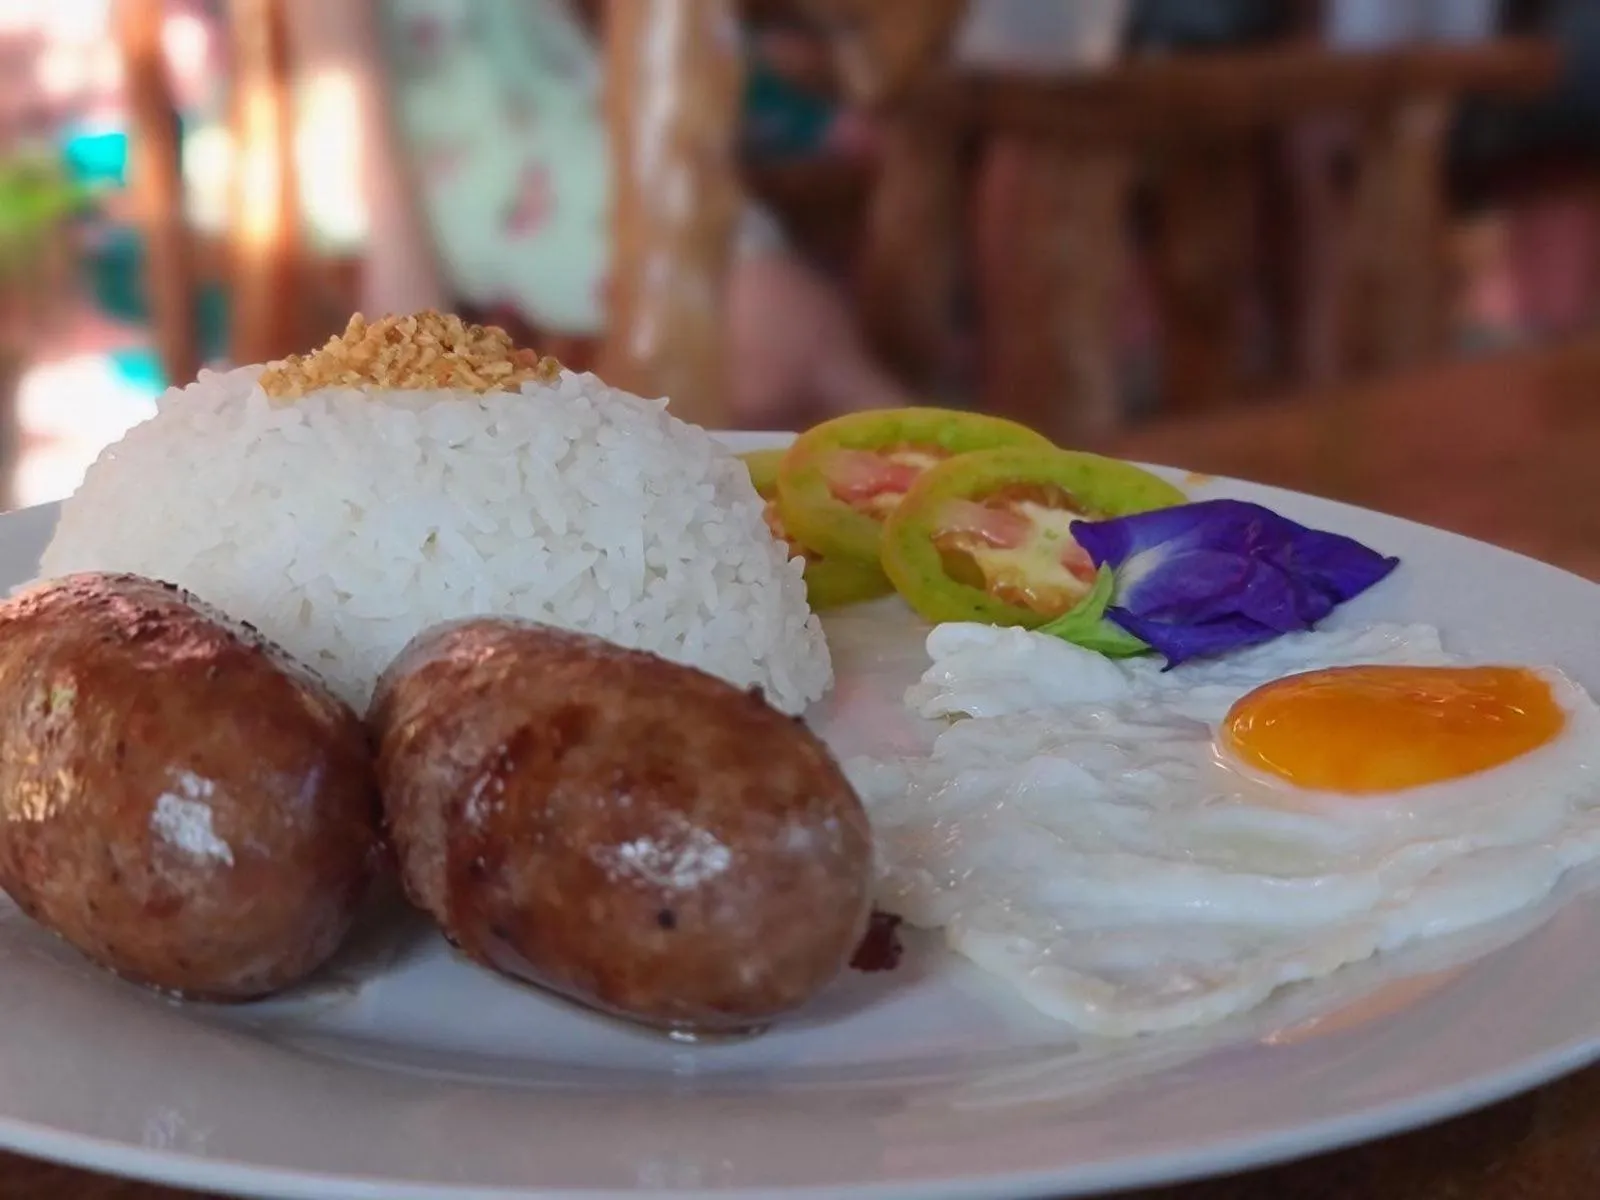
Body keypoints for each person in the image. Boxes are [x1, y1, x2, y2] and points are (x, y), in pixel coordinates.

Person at [290, 0, 905, 429]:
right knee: (763, 326)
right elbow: (343, 87)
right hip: (462, 169)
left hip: (580, 136)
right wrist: (404, 304)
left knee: (790, 339)